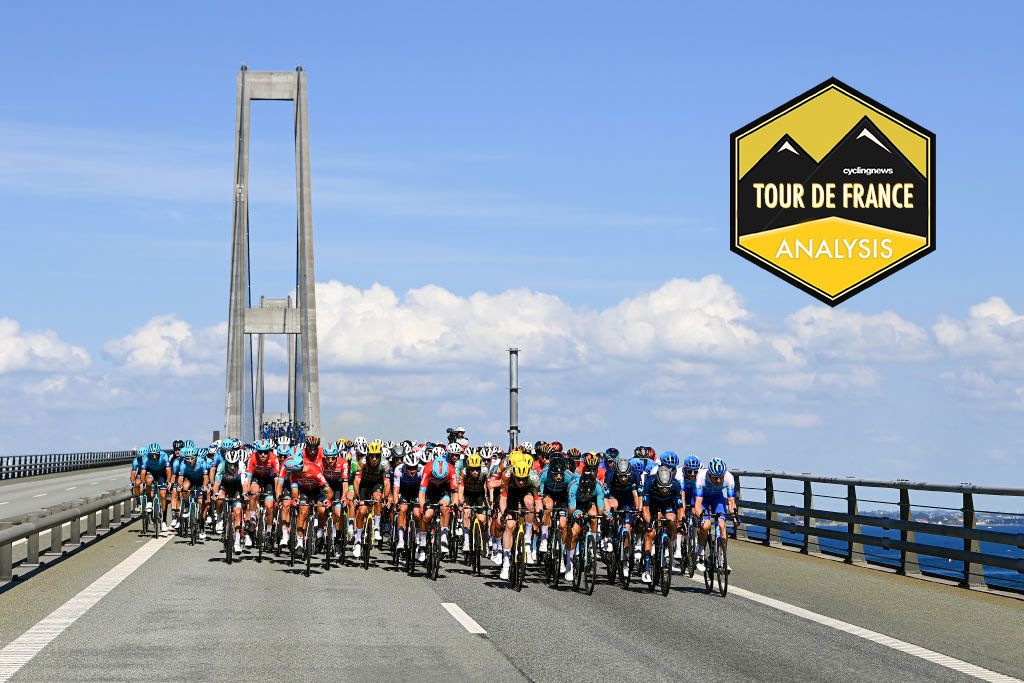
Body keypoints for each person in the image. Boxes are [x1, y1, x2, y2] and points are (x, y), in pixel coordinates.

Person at [498, 454, 540, 580]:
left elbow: (538, 499)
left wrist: (539, 512)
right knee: (510, 525)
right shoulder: (507, 475)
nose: (521, 482)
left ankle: (527, 539)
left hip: (525, 493)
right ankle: (505, 563)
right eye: (518, 479)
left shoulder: (533, 477)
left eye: (523, 479)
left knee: (529, 504)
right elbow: (503, 498)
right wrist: (505, 512)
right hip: (511, 495)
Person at [640, 465, 683, 584]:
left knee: (672, 520)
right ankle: (646, 570)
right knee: (650, 533)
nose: (664, 490)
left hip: (667, 504)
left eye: (666, 488)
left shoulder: (675, 484)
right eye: (661, 488)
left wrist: (680, 523)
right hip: (652, 505)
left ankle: (670, 545)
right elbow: (645, 508)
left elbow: (680, 509)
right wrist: (648, 524)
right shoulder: (649, 483)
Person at [694, 457, 736, 571]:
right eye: (715, 478)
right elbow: (698, 502)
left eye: (720, 478)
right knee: (706, 525)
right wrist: (700, 516)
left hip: (717, 498)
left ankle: (722, 559)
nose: (718, 481)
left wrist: (734, 515)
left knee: (722, 526)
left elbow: (731, 502)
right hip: (703, 499)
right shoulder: (701, 476)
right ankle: (700, 551)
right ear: (710, 475)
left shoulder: (729, 478)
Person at [351, 440, 391, 557]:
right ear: (368, 456)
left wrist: (385, 496)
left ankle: (377, 528)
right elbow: (357, 480)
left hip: (377, 484)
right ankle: (357, 540)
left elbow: (387, 483)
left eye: (377, 456)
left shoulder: (385, 464)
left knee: (378, 498)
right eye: (372, 456)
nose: (374, 459)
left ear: (380, 456)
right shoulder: (362, 462)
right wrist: (357, 495)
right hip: (364, 485)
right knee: (362, 511)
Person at [565, 470, 605, 582]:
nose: (587, 494)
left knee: (594, 516)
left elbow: (601, 510)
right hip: (576, 504)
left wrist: (605, 514)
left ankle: (592, 543)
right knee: (573, 533)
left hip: (589, 504)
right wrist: (575, 513)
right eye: (585, 492)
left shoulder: (598, 487)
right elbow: (571, 510)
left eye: (589, 492)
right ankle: (569, 564)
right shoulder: (573, 486)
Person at [415, 457, 457, 564]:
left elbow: (455, 492)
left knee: (445, 507)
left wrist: (455, 505)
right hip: (430, 491)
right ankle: (423, 544)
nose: (438, 481)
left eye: (441, 478)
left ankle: (443, 539)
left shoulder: (451, 469)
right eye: (436, 478)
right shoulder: (428, 468)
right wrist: (423, 506)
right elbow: (422, 493)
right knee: (427, 515)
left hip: (444, 491)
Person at [213, 448, 249, 552]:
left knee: (238, 512)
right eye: (230, 464)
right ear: (227, 462)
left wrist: (245, 494)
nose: (232, 467)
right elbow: (216, 483)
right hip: (225, 486)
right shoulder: (222, 465)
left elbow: (245, 483)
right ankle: (219, 519)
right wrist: (215, 493)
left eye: (235, 464)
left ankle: (237, 542)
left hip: (237, 488)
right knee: (220, 498)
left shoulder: (242, 466)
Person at [246, 439, 281, 543]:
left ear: (269, 451)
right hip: (257, 478)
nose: (262, 454)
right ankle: (252, 519)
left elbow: (276, 479)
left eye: (265, 452)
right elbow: (248, 477)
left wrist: (277, 494)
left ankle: (269, 531)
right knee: (254, 492)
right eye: (260, 452)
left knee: (269, 506)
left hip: (269, 480)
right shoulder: (252, 457)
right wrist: (247, 490)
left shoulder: (274, 458)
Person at [172, 446, 210, 539]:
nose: (189, 460)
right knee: (184, 487)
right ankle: (186, 506)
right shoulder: (183, 464)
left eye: (192, 458)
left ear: (196, 458)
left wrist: (205, 486)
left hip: (200, 481)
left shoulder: (202, 463)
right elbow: (180, 478)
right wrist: (180, 486)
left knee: (201, 502)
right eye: (187, 458)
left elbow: (205, 478)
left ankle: (202, 528)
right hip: (189, 479)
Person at [458, 452, 488, 553]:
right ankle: (466, 541)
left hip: (479, 495)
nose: (475, 472)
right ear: (468, 468)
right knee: (466, 513)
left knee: (482, 519)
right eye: (472, 469)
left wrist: (487, 499)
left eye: (477, 469)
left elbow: (486, 486)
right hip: (468, 494)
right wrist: (461, 502)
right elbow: (460, 488)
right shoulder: (464, 472)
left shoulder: (484, 471)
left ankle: (484, 541)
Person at [141, 443, 173, 532]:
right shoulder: (146, 458)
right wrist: (143, 483)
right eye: (152, 455)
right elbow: (143, 473)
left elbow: (168, 471)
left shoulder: (164, 456)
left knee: (163, 495)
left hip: (161, 474)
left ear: (159, 453)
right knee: (148, 481)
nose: (154, 457)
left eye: (156, 455)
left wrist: (168, 482)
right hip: (151, 472)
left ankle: (164, 521)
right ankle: (149, 500)